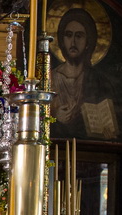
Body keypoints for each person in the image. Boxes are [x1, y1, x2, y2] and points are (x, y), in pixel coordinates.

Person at [50, 7, 117, 139]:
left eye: (79, 36)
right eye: (68, 35)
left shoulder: (100, 81)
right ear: (62, 40)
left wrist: (108, 132)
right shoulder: (49, 79)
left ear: (88, 42)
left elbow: (112, 127)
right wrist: (55, 117)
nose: (73, 42)